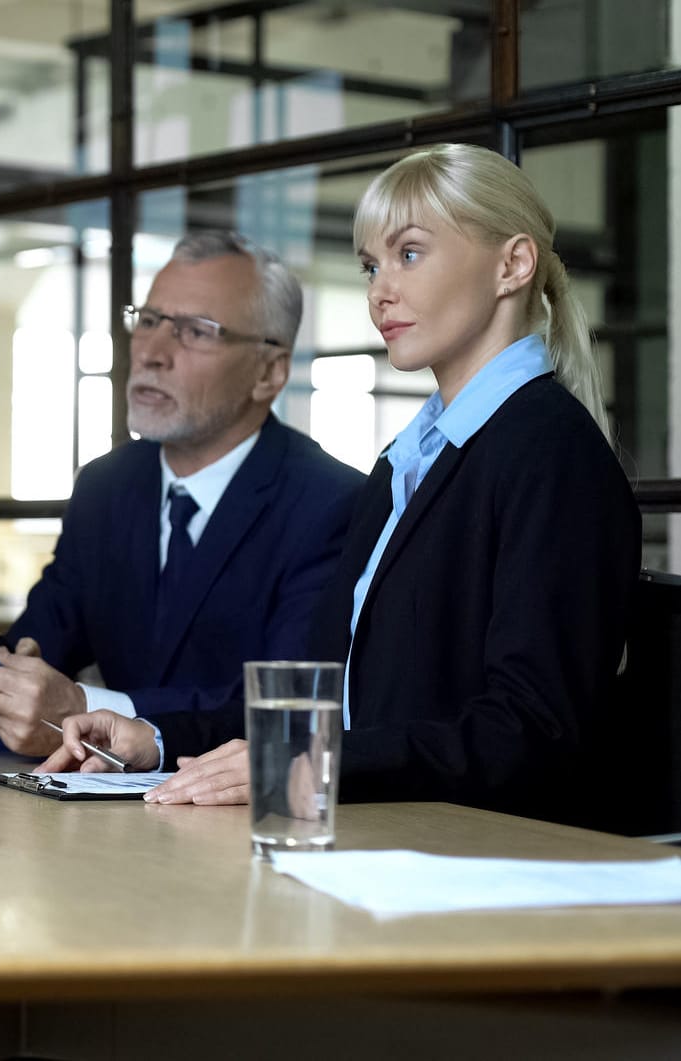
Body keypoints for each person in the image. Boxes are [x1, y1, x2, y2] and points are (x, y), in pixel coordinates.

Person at [42, 144, 640, 826]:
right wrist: (155, 737)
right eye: (370, 265)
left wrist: (317, 763)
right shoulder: (406, 459)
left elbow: (531, 731)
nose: (379, 290)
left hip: (472, 862)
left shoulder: (548, 451)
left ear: (512, 264)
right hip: (376, 838)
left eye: (408, 254)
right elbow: (331, 695)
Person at [0, 232, 363, 757]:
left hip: (235, 818)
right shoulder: (105, 487)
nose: (152, 353)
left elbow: (285, 705)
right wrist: (4, 675)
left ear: (269, 372)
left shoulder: (332, 503)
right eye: (148, 321)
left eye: (195, 331)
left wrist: (80, 706)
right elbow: (37, 644)